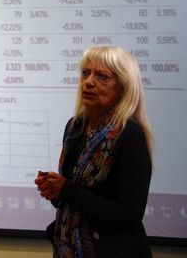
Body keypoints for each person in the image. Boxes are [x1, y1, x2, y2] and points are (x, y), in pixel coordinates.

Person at [35, 45, 154, 258]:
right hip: (68, 247)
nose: (88, 82)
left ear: (123, 88)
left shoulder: (130, 135)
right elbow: (70, 198)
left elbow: (128, 215)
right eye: (85, 73)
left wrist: (67, 190)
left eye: (102, 77)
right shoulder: (75, 126)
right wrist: (54, 190)